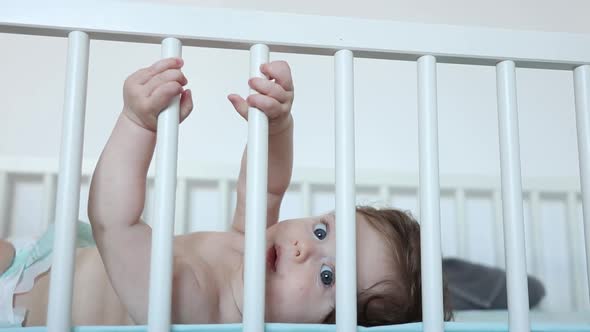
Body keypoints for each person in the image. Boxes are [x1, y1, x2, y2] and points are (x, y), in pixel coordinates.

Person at [0, 58, 452, 326]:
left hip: (22, 307)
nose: (301, 249)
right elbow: (266, 184)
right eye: (321, 231)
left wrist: (137, 124)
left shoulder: (204, 311)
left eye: (328, 276)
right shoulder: (246, 246)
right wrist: (276, 125)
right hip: (55, 255)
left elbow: (113, 222)